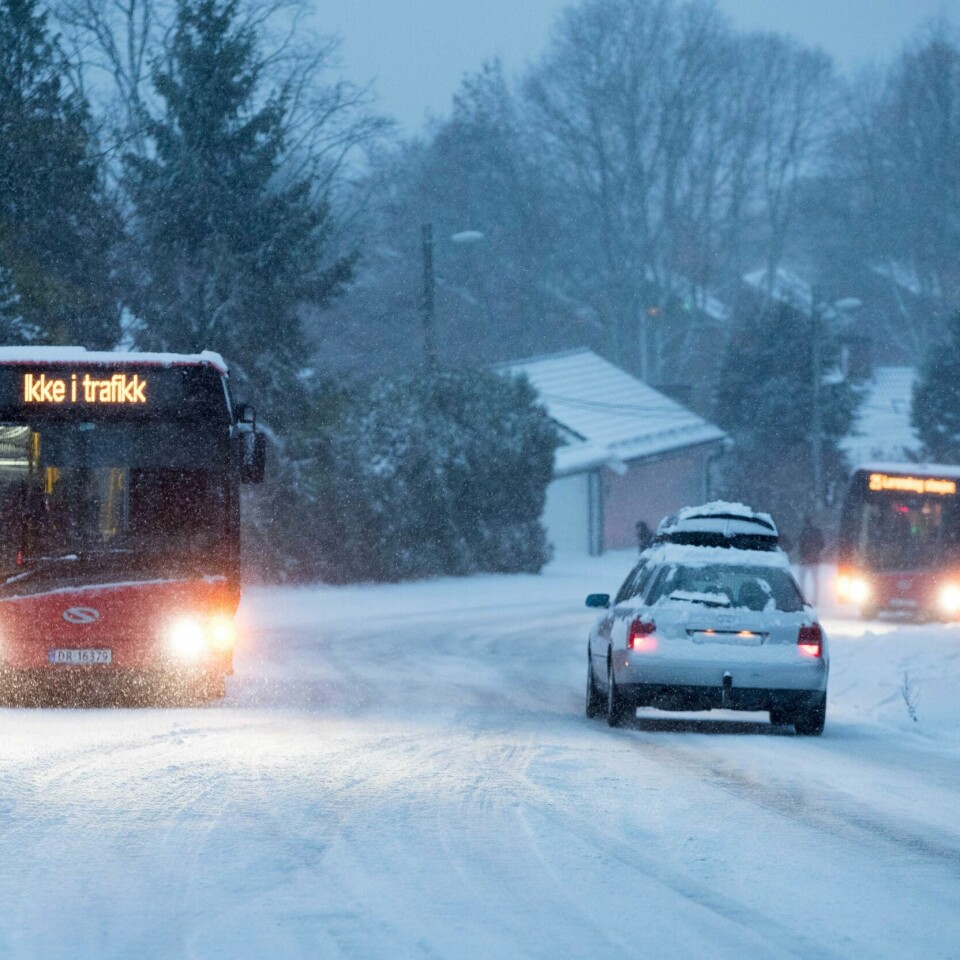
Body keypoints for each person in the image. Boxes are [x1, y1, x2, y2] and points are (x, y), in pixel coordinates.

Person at [798, 516, 825, 605]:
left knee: (802, 580)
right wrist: (816, 552)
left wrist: (804, 555)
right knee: (815, 580)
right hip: (815, 559)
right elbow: (822, 544)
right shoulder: (817, 532)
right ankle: (815, 599)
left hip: (804, 559)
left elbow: (800, 546)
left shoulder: (803, 532)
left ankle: (802, 598)